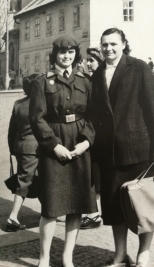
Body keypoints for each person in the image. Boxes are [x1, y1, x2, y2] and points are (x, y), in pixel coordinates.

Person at [91, 28, 154, 267]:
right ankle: (120, 254)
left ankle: (143, 254)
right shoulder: (97, 74)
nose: (108, 49)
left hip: (139, 150)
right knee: (115, 206)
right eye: (104, 45)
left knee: (144, 205)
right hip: (110, 154)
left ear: (124, 44)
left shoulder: (139, 68)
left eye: (113, 44)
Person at [29, 36, 97, 267]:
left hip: (79, 142)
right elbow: (37, 119)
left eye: (70, 52)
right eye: (61, 52)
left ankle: (67, 256)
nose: (66, 56)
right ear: (55, 55)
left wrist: (86, 141)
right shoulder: (42, 82)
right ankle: (44, 258)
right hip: (54, 144)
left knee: (77, 204)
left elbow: (93, 117)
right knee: (51, 205)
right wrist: (54, 145)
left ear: (76, 55)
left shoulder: (85, 81)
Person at [7, 74, 41, 232]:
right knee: (25, 182)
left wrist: (13, 150)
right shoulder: (40, 104)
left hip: (21, 148)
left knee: (36, 179)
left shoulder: (18, 104)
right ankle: (12, 217)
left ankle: (47, 213)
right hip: (36, 148)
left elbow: (11, 131)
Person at [80, 47, 104, 229]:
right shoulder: (91, 79)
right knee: (93, 175)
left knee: (96, 175)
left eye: (92, 60)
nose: (88, 63)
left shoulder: (101, 80)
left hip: (99, 136)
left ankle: (95, 213)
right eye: (87, 60)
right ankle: (94, 212)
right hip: (91, 134)